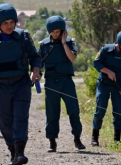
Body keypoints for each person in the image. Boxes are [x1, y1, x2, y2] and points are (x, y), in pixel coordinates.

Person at [0, 4, 41, 165]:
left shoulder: (24, 37)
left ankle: (20, 152)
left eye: (12, 22)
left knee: (21, 117)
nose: (9, 26)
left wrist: (35, 71)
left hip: (21, 84)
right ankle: (12, 150)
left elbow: (35, 58)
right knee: (5, 122)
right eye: (5, 23)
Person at [38, 15, 85, 152]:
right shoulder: (44, 45)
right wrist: (35, 74)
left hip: (67, 82)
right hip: (51, 82)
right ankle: (52, 142)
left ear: (63, 31)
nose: (55, 34)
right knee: (52, 113)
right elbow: (38, 64)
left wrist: (64, 43)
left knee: (74, 111)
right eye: (52, 32)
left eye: (58, 31)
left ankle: (77, 138)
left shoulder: (70, 42)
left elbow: (72, 58)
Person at [91, 30, 121, 146]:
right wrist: (108, 71)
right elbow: (96, 63)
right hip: (104, 84)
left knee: (118, 112)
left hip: (119, 87)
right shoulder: (106, 50)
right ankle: (94, 137)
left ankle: (117, 140)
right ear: (119, 43)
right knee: (100, 109)